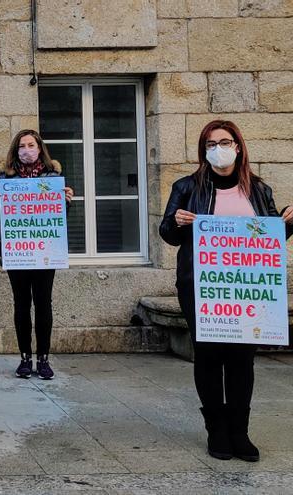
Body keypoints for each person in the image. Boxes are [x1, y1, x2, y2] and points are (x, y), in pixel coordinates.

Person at [160, 120, 293, 463]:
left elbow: (267, 242)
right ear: (203, 150)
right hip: (200, 285)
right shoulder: (187, 186)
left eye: (225, 141)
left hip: (245, 290)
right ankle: (216, 429)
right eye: (211, 142)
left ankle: (239, 430)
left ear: (238, 146)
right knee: (208, 355)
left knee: (241, 358)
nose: (219, 147)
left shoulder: (258, 190)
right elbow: (167, 232)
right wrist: (176, 221)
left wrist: (287, 224)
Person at [0, 130, 73, 380]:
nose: (26, 149)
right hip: (18, 251)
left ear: (39, 148)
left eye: (31, 145)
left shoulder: (53, 175)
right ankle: (25, 357)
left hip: (45, 250)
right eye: (22, 146)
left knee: (44, 303)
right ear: (16, 150)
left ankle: (43, 359)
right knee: (21, 303)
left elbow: (59, 217)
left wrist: (66, 201)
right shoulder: (5, 176)